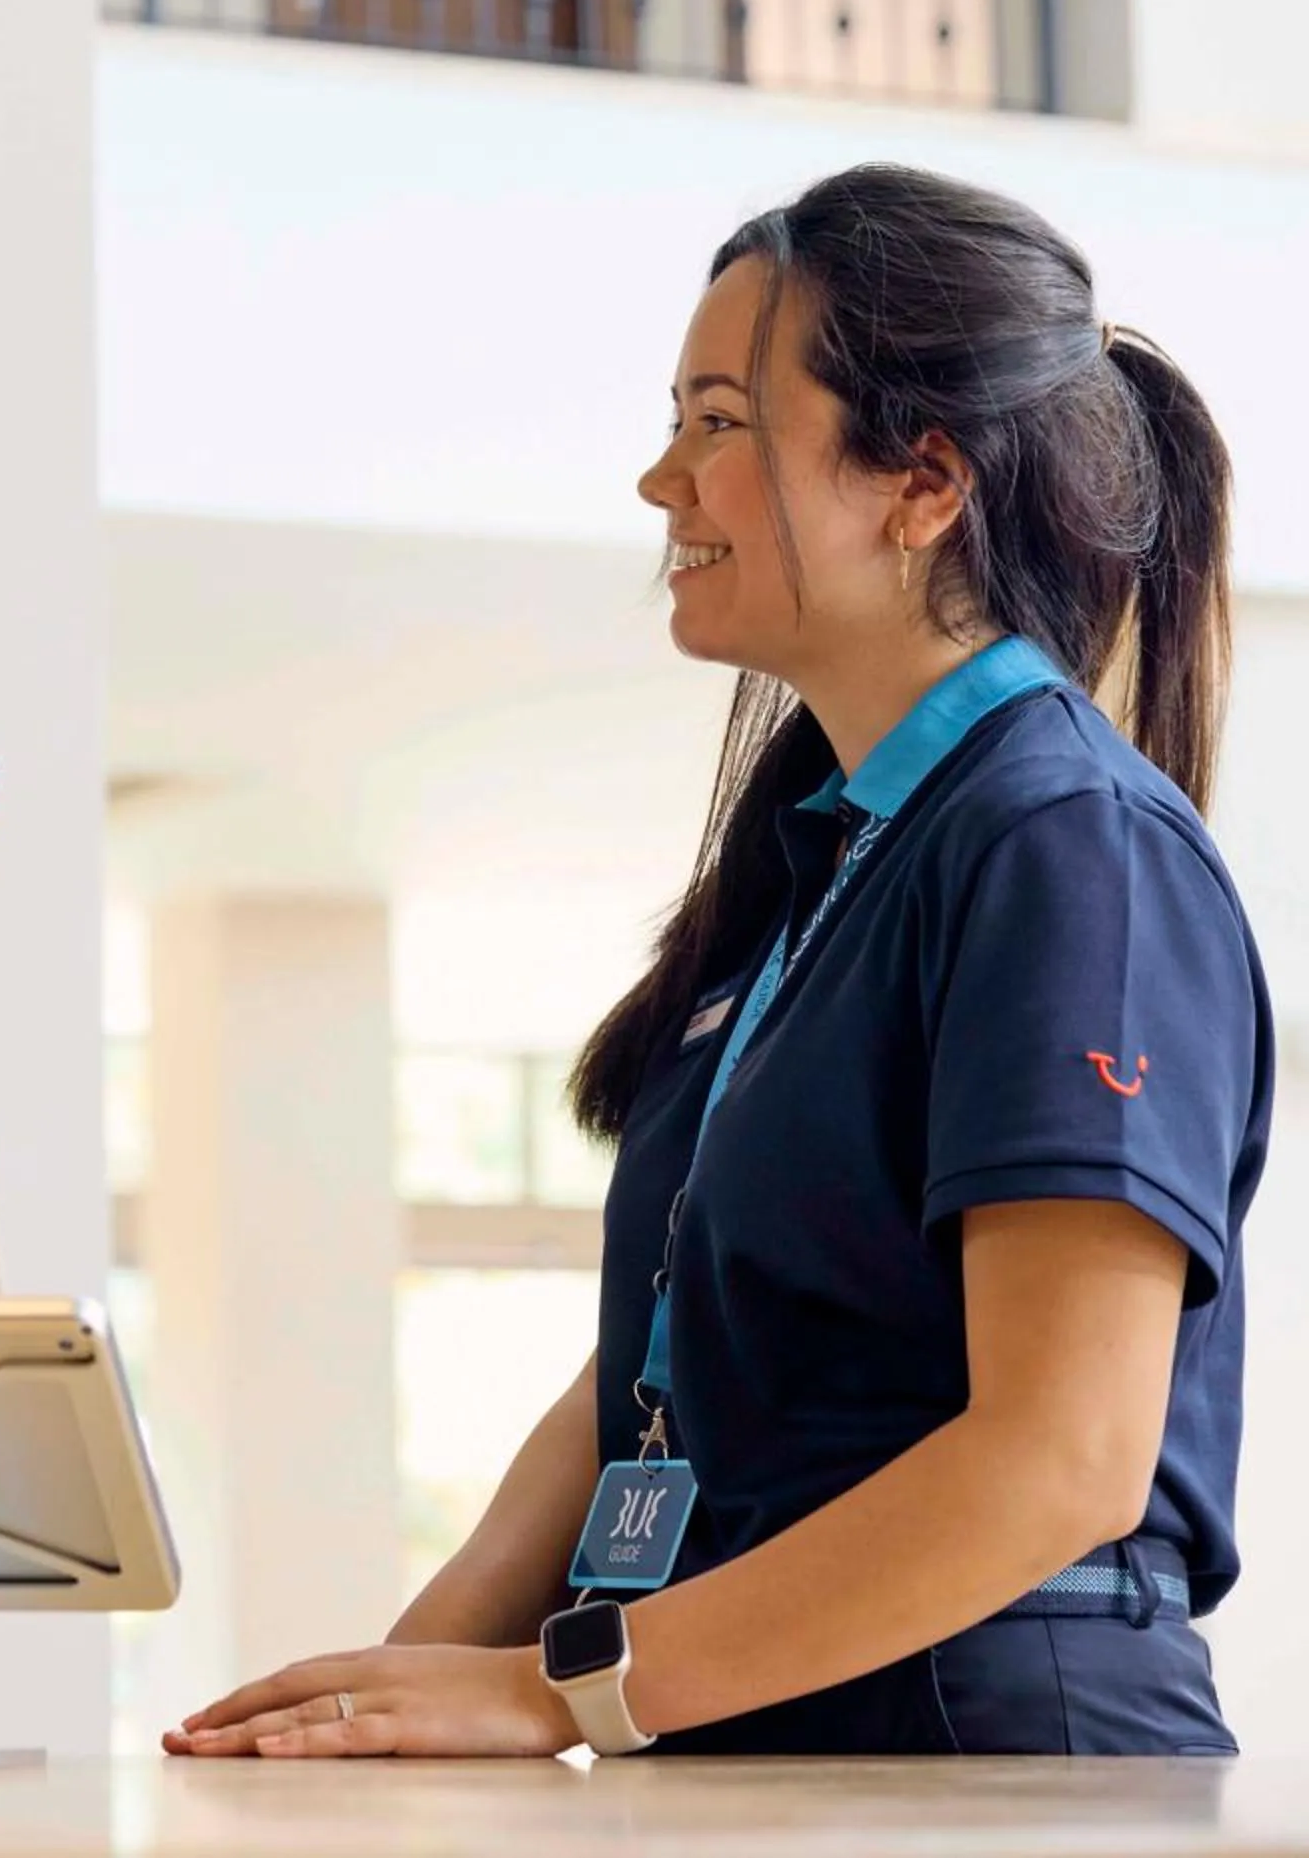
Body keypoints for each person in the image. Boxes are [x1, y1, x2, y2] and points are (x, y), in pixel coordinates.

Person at [170, 163, 1270, 1760]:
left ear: (923, 482)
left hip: (995, 1767)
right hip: (761, 1741)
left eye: (714, 422)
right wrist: (376, 1695)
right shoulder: (831, 853)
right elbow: (648, 1358)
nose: (657, 481)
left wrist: (552, 1689)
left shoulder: (1068, 843)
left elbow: (1065, 1454)